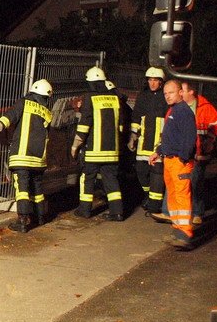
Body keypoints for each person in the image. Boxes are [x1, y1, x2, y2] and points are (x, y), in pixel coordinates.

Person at [0, 78, 54, 233]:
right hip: (39, 159)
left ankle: (22, 221)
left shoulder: (24, 102)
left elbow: (9, 117)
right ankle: (41, 217)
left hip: (22, 156)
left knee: (22, 189)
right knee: (37, 189)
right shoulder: (47, 112)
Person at [71, 65, 125, 221]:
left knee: (88, 179)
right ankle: (117, 212)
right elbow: (121, 126)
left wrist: (75, 145)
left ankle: (85, 210)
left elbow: (84, 125)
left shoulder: (89, 97)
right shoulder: (115, 98)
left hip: (94, 150)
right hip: (112, 151)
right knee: (111, 180)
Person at [149, 78, 196, 249]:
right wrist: (159, 152)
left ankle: (185, 235)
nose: (167, 96)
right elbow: (171, 137)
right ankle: (178, 230)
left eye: (171, 93)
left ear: (180, 93)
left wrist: (183, 158)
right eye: (165, 93)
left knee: (181, 196)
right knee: (174, 196)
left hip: (178, 161)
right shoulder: (175, 110)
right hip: (170, 160)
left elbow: (189, 139)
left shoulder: (183, 112)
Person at [179, 81, 217, 225]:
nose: (180, 93)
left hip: (199, 152)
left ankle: (197, 213)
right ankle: (180, 211)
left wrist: (209, 138)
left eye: (182, 90)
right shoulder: (179, 107)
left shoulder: (205, 107)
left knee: (196, 182)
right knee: (183, 182)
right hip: (184, 151)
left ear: (191, 92)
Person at [129, 67, 167, 215]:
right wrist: (133, 136)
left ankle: (154, 205)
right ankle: (148, 195)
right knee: (141, 171)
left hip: (159, 144)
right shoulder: (143, 96)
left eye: (155, 80)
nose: (152, 83)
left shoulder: (165, 97)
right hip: (143, 142)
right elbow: (136, 117)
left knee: (157, 174)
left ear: (161, 82)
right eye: (150, 80)